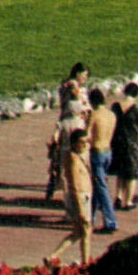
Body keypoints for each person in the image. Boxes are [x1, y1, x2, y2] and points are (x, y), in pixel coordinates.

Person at [47, 129, 93, 266]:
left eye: (86, 142)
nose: (85, 145)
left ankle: (53, 256)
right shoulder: (72, 159)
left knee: (79, 232)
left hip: (84, 195)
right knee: (85, 230)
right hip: (80, 196)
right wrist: (80, 209)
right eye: (82, 142)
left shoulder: (78, 156)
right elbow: (75, 184)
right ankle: (85, 263)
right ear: (74, 144)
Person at [49, 63, 90, 201]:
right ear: (77, 74)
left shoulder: (66, 86)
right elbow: (77, 99)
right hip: (73, 123)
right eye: (83, 75)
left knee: (61, 154)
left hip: (67, 121)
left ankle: (58, 180)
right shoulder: (72, 86)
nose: (84, 78)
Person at [111, 82, 138, 210]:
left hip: (118, 142)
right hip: (133, 143)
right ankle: (128, 201)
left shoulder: (115, 107)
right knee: (132, 173)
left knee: (120, 172)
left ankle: (118, 197)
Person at [86, 86, 119, 234]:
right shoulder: (111, 114)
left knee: (101, 187)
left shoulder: (94, 114)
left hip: (97, 152)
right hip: (108, 151)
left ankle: (110, 220)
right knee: (98, 186)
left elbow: (87, 135)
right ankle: (90, 217)